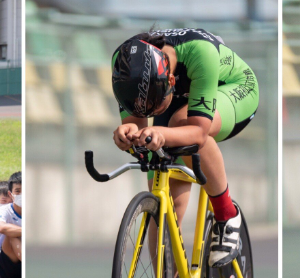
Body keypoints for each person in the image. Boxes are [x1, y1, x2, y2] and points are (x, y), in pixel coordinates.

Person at [111, 27, 259, 267]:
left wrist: (161, 131)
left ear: (171, 81)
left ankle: (226, 215)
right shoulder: (125, 63)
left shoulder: (200, 53)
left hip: (232, 87)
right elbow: (136, 125)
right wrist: (128, 134)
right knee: (165, 207)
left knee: (182, 125)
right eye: (144, 107)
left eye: (153, 107)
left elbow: (199, 133)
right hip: (174, 98)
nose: (148, 113)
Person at [0, 172, 22, 278]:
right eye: (18, 191)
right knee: (12, 235)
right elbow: (2, 227)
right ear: (11, 194)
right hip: (7, 260)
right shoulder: (2, 210)